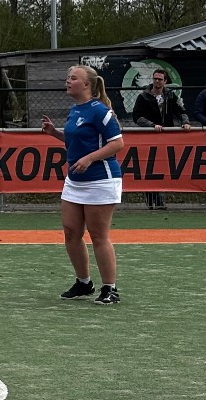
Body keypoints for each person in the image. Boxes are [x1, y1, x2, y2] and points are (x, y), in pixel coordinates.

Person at [41, 65, 124, 305]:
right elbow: (76, 140)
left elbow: (117, 143)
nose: (68, 81)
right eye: (67, 77)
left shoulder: (100, 111)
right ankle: (84, 282)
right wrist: (55, 133)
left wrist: (89, 159)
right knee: (71, 232)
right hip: (75, 181)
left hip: (101, 179)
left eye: (73, 78)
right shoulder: (75, 110)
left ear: (87, 85)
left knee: (99, 235)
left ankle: (110, 288)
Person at [130, 68, 190, 210]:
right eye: (155, 78)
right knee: (149, 168)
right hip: (149, 137)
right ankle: (152, 200)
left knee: (163, 168)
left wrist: (185, 122)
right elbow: (137, 117)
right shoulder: (143, 96)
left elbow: (181, 111)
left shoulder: (170, 95)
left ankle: (159, 199)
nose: (157, 81)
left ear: (165, 81)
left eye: (160, 79)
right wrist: (151, 125)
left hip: (166, 137)